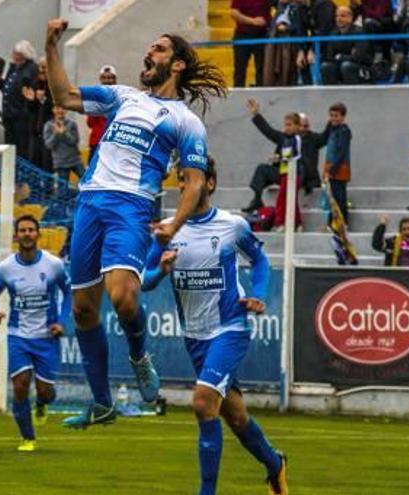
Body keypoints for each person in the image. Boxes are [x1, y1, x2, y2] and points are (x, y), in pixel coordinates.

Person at [44, 18, 226, 428]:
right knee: (83, 311)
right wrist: (51, 46)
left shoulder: (185, 121)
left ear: (177, 64)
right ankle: (103, 403)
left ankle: (139, 354)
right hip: (90, 202)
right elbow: (64, 94)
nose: (150, 53)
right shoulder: (122, 97)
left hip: (131, 205)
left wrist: (174, 224)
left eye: (159, 49)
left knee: (124, 297)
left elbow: (194, 182)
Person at [142, 159, 288, 495]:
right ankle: (274, 464)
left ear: (209, 184)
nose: (185, 185)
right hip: (195, 336)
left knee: (202, 401)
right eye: (181, 179)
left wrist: (259, 295)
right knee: (235, 418)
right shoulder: (166, 230)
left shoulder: (231, 226)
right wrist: (161, 271)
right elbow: (145, 282)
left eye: (191, 178)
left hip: (229, 328)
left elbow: (261, 261)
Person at [0, 215, 71, 452]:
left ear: (38, 234)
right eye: (22, 230)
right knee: (21, 385)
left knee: (45, 391)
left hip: (47, 337)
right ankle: (28, 438)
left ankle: (42, 403)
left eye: (31, 230)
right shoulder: (6, 267)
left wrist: (62, 322)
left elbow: (68, 293)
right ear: (16, 236)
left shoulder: (53, 265)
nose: (27, 234)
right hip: (18, 336)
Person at [244, 99, 302, 231]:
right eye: (285, 125)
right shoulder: (283, 138)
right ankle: (257, 199)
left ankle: (280, 223)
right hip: (283, 173)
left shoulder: (298, 139)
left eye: (290, 125)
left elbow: (297, 156)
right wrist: (256, 114)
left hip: (295, 174)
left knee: (284, 199)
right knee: (262, 169)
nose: (287, 128)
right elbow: (268, 131)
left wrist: (281, 158)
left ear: (297, 127)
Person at [1, 40, 38, 157]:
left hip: (21, 115)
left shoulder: (31, 68)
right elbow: (6, 86)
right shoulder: (12, 68)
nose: (15, 57)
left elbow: (30, 89)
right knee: (10, 144)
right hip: (8, 114)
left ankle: (22, 172)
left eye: (19, 54)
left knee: (22, 146)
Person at [320, 5, 373, 84]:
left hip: (361, 67)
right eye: (337, 16)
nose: (338, 19)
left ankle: (352, 95)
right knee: (326, 66)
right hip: (340, 65)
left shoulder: (359, 32)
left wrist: (340, 56)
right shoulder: (333, 33)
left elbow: (359, 57)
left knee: (346, 66)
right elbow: (329, 56)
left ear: (350, 18)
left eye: (342, 16)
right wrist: (347, 56)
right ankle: (331, 95)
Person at [262, 0, 307, 87]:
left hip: (290, 45)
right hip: (274, 45)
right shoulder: (280, 6)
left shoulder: (298, 8)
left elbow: (301, 28)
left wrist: (286, 28)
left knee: (288, 75)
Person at [322, 102, 352, 225]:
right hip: (331, 168)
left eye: (336, 116)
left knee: (339, 198)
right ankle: (332, 222)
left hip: (339, 169)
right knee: (332, 198)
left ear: (343, 117)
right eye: (331, 115)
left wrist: (332, 170)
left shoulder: (344, 131)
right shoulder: (332, 130)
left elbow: (341, 152)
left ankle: (341, 222)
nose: (333, 118)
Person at [230, 0, 271, 87]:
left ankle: (262, 94)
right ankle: (238, 95)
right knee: (240, 69)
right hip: (243, 35)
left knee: (262, 69)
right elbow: (234, 13)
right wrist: (252, 21)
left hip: (263, 35)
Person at [43, 105, 83, 184]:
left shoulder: (72, 124)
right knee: (63, 189)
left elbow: (75, 141)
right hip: (60, 163)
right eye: (57, 108)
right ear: (53, 110)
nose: (60, 111)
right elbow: (48, 145)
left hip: (75, 160)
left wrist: (64, 133)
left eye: (63, 108)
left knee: (88, 181)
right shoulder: (48, 125)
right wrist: (56, 134)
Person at [85, 65, 116, 161]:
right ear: (100, 79)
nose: (107, 81)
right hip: (96, 142)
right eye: (104, 78)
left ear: (115, 80)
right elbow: (90, 123)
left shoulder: (120, 96)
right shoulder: (95, 96)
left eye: (110, 78)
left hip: (113, 144)